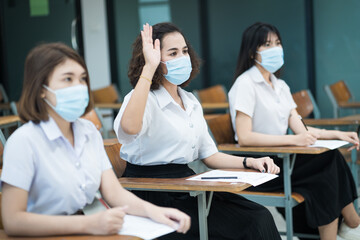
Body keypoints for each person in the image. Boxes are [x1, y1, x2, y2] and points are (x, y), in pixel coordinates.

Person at [0, 42, 191, 237]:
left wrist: (156, 212)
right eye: (67, 79)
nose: (79, 86)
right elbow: (13, 221)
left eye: (82, 79)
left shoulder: (88, 131)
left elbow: (113, 193)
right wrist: (87, 224)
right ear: (41, 88)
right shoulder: (24, 141)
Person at [114, 22, 281, 240]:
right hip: (153, 192)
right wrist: (149, 68)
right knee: (239, 227)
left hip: (187, 186)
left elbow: (209, 155)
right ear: (153, 58)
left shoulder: (190, 100)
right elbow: (129, 128)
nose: (182, 58)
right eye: (172, 53)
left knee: (257, 216)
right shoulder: (143, 98)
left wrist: (249, 161)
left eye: (184, 51)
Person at [228, 22, 360, 240]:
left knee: (330, 157)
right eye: (267, 44)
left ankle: (348, 224)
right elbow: (244, 137)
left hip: (285, 158)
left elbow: (302, 129)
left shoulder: (280, 86)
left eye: (277, 43)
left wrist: (337, 135)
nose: (275, 49)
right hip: (260, 164)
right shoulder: (245, 84)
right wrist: (292, 141)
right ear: (252, 52)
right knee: (325, 164)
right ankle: (351, 223)